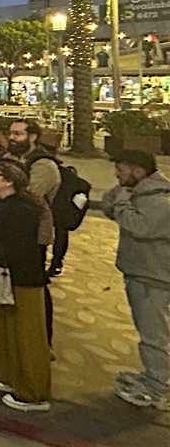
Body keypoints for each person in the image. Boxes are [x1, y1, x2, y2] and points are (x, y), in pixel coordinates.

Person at [101, 149, 170, 410]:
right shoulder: (137, 192)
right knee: (149, 330)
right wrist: (121, 193)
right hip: (140, 271)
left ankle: (158, 389)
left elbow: (139, 227)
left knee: (154, 334)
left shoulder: (160, 201)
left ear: (139, 171)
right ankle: (153, 375)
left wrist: (122, 199)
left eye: (121, 170)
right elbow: (109, 206)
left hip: (153, 277)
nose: (116, 174)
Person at [0, 159, 51, 413]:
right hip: (3, 275)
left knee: (27, 333)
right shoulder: (1, 204)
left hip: (23, 277)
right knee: (5, 326)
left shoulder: (23, 209)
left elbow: (15, 245)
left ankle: (33, 392)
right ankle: (9, 375)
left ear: (9, 180)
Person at [7, 120, 62, 277]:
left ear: (32, 137)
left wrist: (3, 187)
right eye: (10, 133)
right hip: (11, 225)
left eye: (17, 134)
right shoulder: (11, 157)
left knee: (29, 277)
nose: (11, 138)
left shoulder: (44, 165)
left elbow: (28, 195)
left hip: (32, 229)